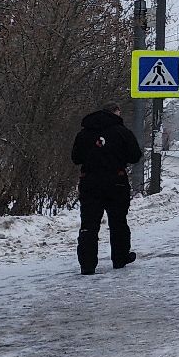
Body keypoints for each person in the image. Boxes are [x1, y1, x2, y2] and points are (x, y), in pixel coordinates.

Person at [70, 102, 142, 275]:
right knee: (118, 221)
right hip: (116, 181)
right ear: (116, 113)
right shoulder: (122, 132)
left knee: (89, 224)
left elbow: (76, 158)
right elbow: (135, 156)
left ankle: (87, 265)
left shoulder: (84, 133)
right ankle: (120, 258)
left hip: (90, 182)